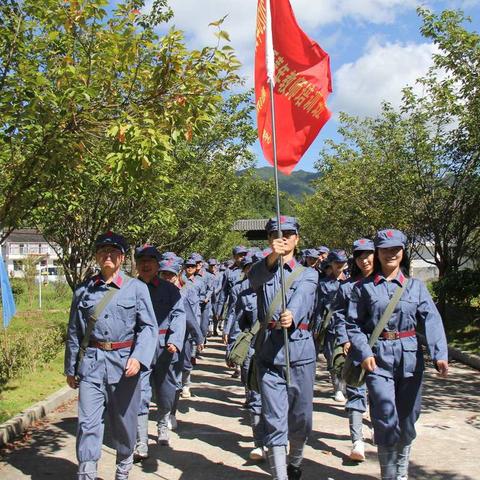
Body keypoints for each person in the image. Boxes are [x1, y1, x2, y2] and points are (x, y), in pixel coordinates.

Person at [346, 229, 449, 480]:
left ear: (402, 253)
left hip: (411, 359)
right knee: (383, 414)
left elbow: (432, 320)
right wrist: (364, 351)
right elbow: (354, 324)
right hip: (378, 359)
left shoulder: (416, 287)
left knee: (407, 418)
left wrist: (439, 354)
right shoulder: (363, 288)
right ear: (377, 253)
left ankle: (401, 472)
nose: (390, 254)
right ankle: (389, 475)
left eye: (395, 249)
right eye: (385, 250)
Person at [64, 232, 157, 480]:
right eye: (103, 251)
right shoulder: (84, 291)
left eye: (113, 252)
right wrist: (70, 368)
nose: (108, 256)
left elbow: (149, 328)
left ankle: (123, 467)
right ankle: (87, 472)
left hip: (124, 364)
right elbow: (74, 331)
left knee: (124, 422)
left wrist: (138, 357)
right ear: (96, 257)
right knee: (87, 423)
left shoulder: (136, 288)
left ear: (122, 257)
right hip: (92, 364)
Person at [249, 216, 318, 480]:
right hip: (269, 354)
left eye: (289, 233)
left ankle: (296, 461)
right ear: (269, 240)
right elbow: (254, 279)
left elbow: (304, 295)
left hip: (300, 354)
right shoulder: (262, 270)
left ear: (297, 239)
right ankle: (280, 476)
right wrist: (270, 259)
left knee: (301, 419)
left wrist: (293, 314)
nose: (283, 237)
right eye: (276, 234)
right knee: (274, 419)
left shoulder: (309, 273)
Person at [133, 245, 186, 459]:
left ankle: (163, 423)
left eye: (151, 261)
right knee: (140, 394)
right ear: (136, 264)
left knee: (165, 392)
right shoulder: (129, 288)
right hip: (138, 349)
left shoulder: (170, 290)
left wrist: (175, 339)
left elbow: (179, 315)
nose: (146, 265)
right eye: (142, 261)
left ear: (157, 265)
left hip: (164, 347)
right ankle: (141, 441)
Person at [331, 238, 375, 462]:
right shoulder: (347, 287)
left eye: (368, 255)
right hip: (356, 346)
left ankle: (379, 427)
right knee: (356, 392)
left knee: (380, 393)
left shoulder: (384, 283)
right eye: (359, 256)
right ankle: (357, 441)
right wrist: (345, 339)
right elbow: (338, 315)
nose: (364, 260)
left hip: (382, 347)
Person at [159, 258, 205, 429]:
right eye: (164, 274)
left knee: (175, 377)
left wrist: (198, 337)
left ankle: (171, 412)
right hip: (157, 341)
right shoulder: (152, 290)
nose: (167, 277)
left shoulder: (186, 290)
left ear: (178, 274)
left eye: (170, 274)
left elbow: (191, 316)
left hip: (180, 340)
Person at [314, 249, 348, 402]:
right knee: (332, 358)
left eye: (342, 262)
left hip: (348, 327)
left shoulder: (352, 282)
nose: (339, 265)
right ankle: (338, 388)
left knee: (348, 358)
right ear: (331, 264)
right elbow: (317, 308)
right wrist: (316, 328)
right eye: (336, 262)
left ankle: (347, 384)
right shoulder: (323, 285)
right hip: (330, 327)